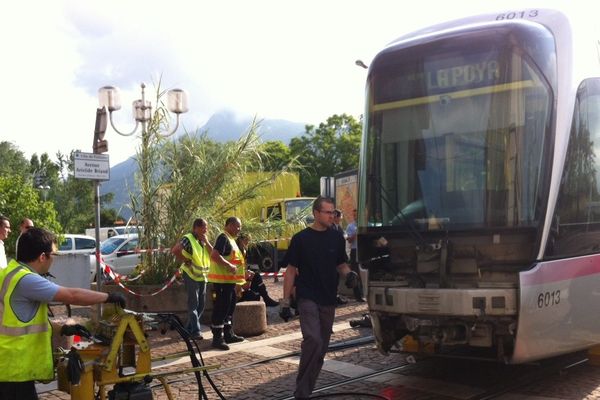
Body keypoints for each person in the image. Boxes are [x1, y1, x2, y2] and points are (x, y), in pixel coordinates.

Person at [0, 227, 126, 400]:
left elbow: (16, 320)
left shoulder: (8, 273)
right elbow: (71, 295)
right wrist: (109, 297)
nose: (54, 260)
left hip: (7, 365)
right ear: (42, 257)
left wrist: (62, 329)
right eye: (54, 255)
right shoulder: (26, 279)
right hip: (13, 370)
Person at [279, 196, 358, 400]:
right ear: (316, 213)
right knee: (313, 339)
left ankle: (304, 390)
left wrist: (349, 275)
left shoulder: (336, 238)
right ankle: (302, 393)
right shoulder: (301, 239)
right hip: (307, 296)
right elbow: (290, 271)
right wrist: (285, 302)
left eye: (333, 212)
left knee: (320, 348)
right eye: (328, 212)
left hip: (328, 298)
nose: (332, 216)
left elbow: (341, 264)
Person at [208, 217, 246, 350]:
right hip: (222, 281)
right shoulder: (223, 238)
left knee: (229, 308)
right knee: (221, 308)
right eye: (237, 226)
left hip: (230, 281)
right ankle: (217, 338)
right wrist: (229, 265)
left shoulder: (231, 240)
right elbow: (214, 255)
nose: (239, 229)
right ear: (229, 225)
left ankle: (228, 333)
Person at [171, 218, 212, 340]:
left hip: (202, 276)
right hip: (191, 275)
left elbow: (212, 253)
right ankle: (195, 331)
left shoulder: (202, 241)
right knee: (193, 304)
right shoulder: (188, 238)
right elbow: (175, 250)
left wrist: (207, 241)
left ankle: (187, 329)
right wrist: (186, 260)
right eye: (204, 227)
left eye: (206, 227)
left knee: (201, 305)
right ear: (196, 228)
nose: (206, 230)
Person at [235, 233, 279, 307]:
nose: (247, 243)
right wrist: (249, 278)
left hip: (240, 284)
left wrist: (248, 274)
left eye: (248, 241)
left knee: (256, 276)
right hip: (236, 294)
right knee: (254, 295)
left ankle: (266, 299)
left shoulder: (244, 252)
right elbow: (245, 287)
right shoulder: (237, 253)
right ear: (240, 240)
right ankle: (265, 300)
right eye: (246, 240)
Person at [346, 209, 365, 302]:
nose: (355, 217)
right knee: (355, 273)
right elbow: (349, 240)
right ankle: (358, 295)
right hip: (355, 250)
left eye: (357, 215)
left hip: (364, 250)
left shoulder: (366, 224)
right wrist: (355, 233)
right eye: (354, 215)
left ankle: (364, 293)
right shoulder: (350, 226)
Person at [331, 209, 347, 306]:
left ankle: (335, 296)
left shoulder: (339, 228)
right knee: (333, 278)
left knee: (337, 279)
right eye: (340, 217)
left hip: (339, 257)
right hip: (332, 257)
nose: (341, 219)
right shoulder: (330, 228)